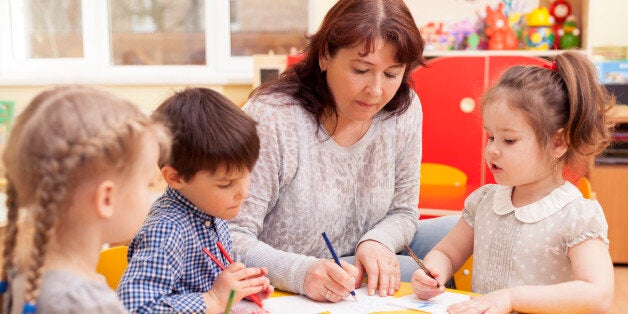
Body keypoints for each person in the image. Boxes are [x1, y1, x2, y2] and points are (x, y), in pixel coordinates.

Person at [228, 0, 458, 302]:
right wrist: (301, 273)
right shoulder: (274, 117)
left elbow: (403, 211)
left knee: (467, 227)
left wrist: (377, 241)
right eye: (361, 70)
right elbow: (228, 235)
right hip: (298, 270)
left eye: (391, 74)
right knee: (418, 274)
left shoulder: (404, 109)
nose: (376, 91)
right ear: (324, 56)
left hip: (359, 253)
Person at [411, 50, 615, 313]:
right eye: (490, 137)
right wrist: (434, 272)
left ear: (558, 142)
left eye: (508, 140)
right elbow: (447, 253)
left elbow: (597, 293)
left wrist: (511, 298)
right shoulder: (484, 202)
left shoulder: (575, 216)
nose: (493, 150)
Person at [0, 85, 171, 313]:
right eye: (148, 184)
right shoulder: (87, 304)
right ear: (106, 199)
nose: (150, 197)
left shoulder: (25, 272)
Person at [116, 88, 273, 313]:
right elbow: (134, 307)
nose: (243, 192)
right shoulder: (167, 231)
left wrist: (239, 291)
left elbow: (208, 283)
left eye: (247, 175)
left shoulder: (209, 209)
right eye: (226, 184)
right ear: (176, 177)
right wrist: (215, 298)